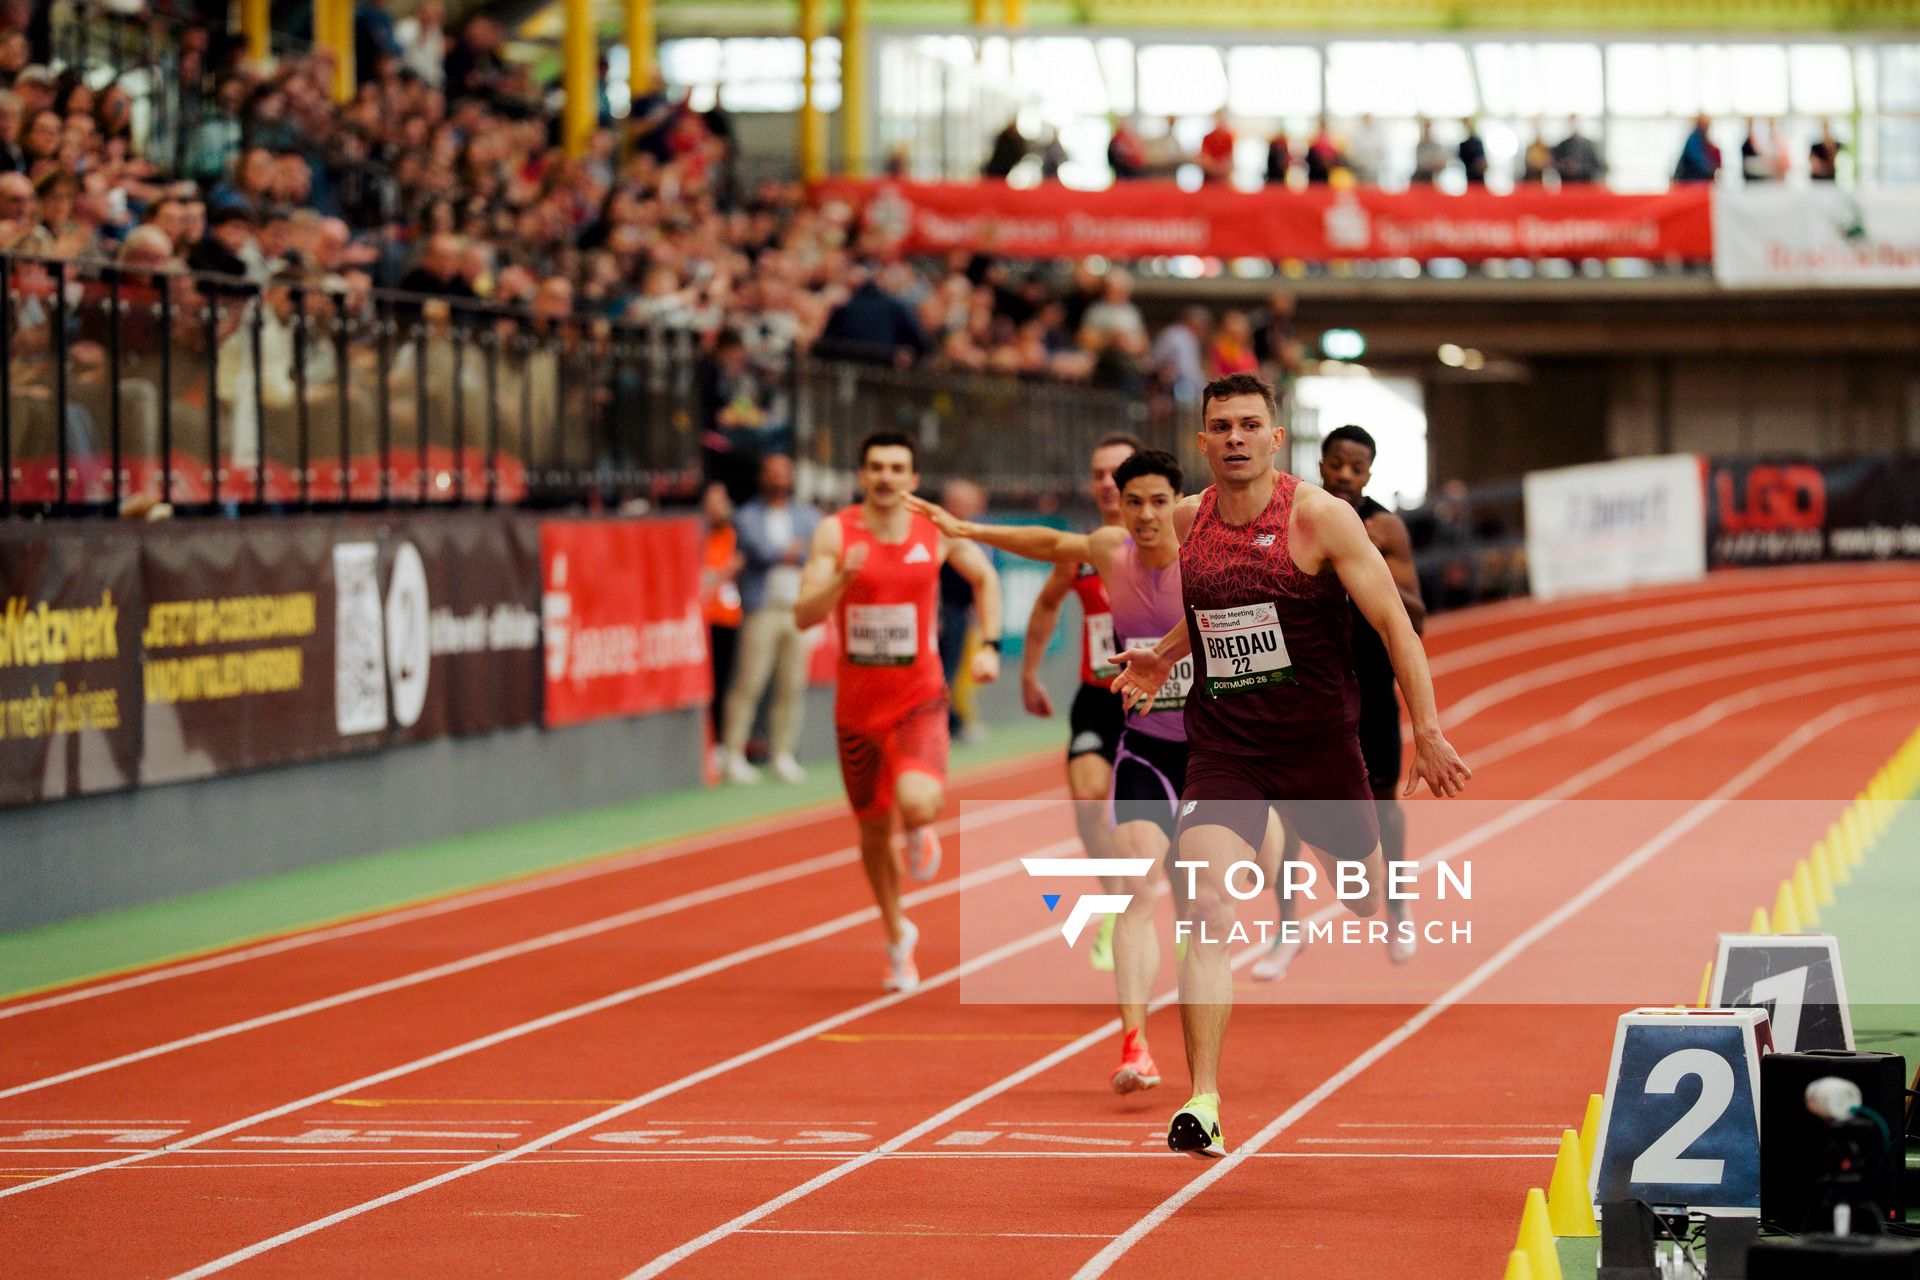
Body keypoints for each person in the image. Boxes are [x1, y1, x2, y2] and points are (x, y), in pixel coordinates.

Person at [1110, 373, 1470, 1158]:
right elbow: (1209, 615)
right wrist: (1162, 656)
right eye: (1219, 426)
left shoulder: (1321, 518)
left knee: (1365, 894)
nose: (1234, 438)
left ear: (1276, 439)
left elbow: (1395, 630)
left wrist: (1430, 733)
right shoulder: (1185, 519)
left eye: (1248, 425)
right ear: (1202, 442)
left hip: (1319, 753)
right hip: (1227, 750)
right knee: (1204, 903)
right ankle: (1203, 1099)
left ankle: (1360, 875)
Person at [911, 449, 1205, 1095]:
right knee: (1136, 890)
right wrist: (969, 531)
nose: (1148, 515)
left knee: (1218, 892)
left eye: (1161, 502)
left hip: (1216, 754)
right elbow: (1047, 542)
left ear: (1180, 504)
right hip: (1148, 747)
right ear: (1120, 508)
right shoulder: (1107, 547)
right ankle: (1136, 1046)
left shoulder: (1208, 553)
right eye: (1136, 503)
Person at [794, 431, 1002, 992]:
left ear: (912, 479)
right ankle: (896, 936)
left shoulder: (930, 528)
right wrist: (841, 576)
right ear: (862, 476)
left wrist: (990, 645)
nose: (886, 477)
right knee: (870, 834)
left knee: (916, 800)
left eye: (897, 468)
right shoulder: (836, 533)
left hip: (919, 700)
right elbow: (802, 616)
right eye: (876, 467)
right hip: (857, 710)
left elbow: (984, 576)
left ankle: (921, 824)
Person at [1252, 424, 1428, 981]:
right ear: (1322, 465)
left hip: (1370, 679)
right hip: (1308, 680)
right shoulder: (1299, 512)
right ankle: (1287, 924)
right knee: (1288, 810)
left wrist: (1361, 559)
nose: (1346, 475)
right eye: (1337, 465)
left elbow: (1417, 618)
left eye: (1358, 468)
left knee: (1382, 804)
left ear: (1370, 474)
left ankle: (1396, 908)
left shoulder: (1383, 527)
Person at [1018, 435, 1138, 972]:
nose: (1107, 483)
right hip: (1098, 697)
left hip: (1166, 701)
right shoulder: (1081, 552)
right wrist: (1029, 673)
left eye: (1119, 471)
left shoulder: (1177, 542)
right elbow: (1046, 605)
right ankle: (1115, 905)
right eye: (1098, 474)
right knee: (1089, 798)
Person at [720, 453, 821, 786]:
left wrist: (789, 552)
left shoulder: (806, 515)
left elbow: (815, 551)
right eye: (771, 472)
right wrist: (786, 552)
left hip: (797, 610)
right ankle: (732, 753)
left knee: (792, 685)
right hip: (761, 609)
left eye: (783, 472)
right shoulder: (748, 515)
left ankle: (782, 754)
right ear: (762, 477)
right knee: (749, 683)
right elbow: (757, 549)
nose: (778, 478)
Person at [936, 479, 989, 739]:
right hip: (945, 613)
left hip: (960, 612)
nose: (973, 507)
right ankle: (948, 723)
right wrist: (935, 614)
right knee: (945, 672)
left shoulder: (964, 529)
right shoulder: (939, 530)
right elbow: (929, 575)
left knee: (956, 672)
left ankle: (953, 722)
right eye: (967, 502)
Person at [700, 483, 744, 753]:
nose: (718, 507)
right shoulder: (697, 535)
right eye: (712, 501)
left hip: (729, 618)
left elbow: (739, 566)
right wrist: (720, 574)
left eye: (722, 500)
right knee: (708, 684)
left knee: (726, 682)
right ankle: (710, 742)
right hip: (704, 619)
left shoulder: (732, 534)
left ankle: (724, 743)